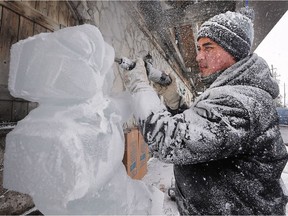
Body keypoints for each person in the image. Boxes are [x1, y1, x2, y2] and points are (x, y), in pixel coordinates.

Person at [120, 7, 288, 215]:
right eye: (198, 48)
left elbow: (168, 143)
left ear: (234, 51)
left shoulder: (240, 103)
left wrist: (140, 87)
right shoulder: (236, 95)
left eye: (208, 48)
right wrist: (175, 102)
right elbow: (199, 132)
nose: (199, 57)